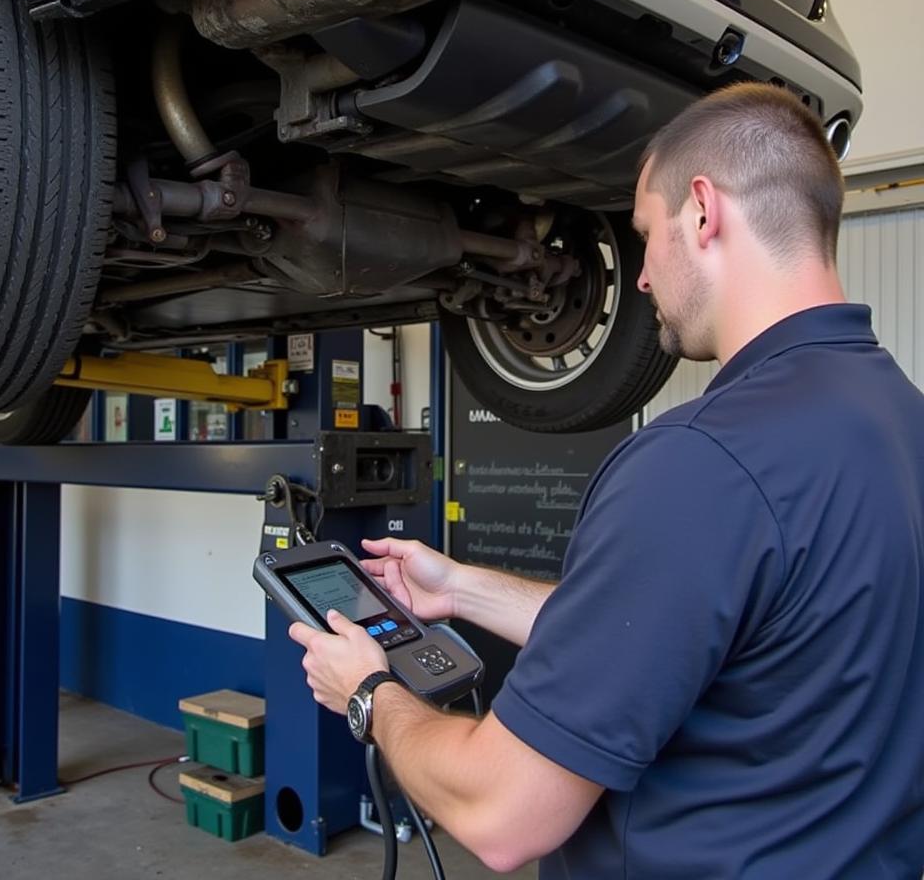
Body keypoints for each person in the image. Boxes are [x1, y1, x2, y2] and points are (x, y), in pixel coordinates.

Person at [289, 82, 924, 878]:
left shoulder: (702, 462)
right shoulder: (901, 418)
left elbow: (503, 814)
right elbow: (689, 635)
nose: (645, 278)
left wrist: (368, 694)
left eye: (645, 235)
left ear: (702, 212)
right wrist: (461, 588)